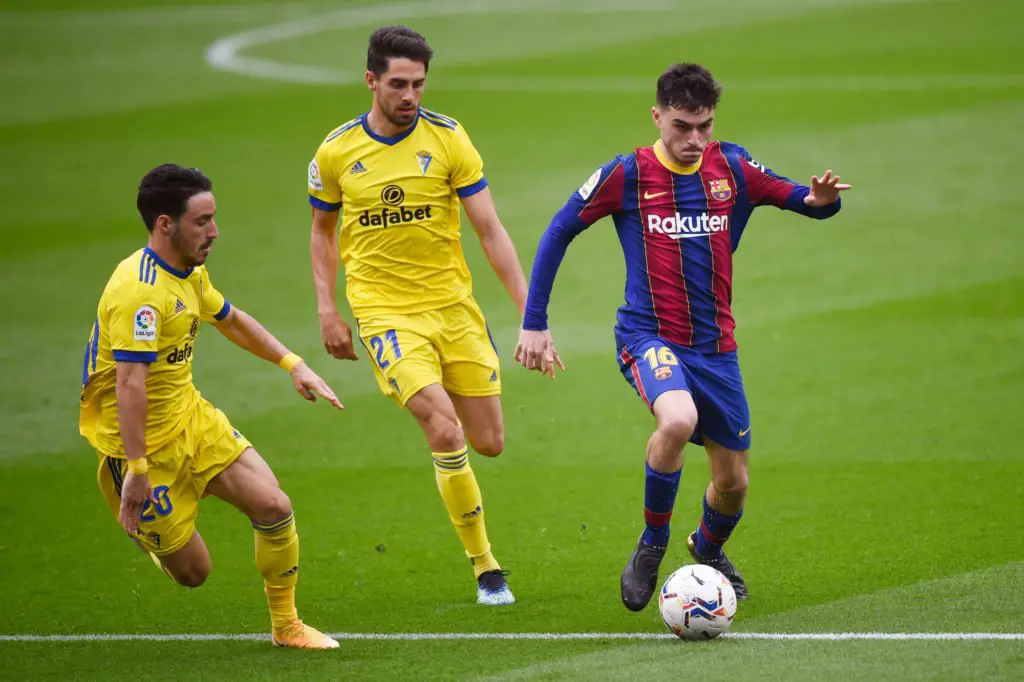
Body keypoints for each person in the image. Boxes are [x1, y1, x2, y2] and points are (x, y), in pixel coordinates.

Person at [514, 63, 851, 611]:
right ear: (657, 117)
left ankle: (707, 548)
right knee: (676, 419)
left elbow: (804, 200)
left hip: (716, 348)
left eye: (704, 126)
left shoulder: (733, 166)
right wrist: (534, 321)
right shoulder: (628, 174)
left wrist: (822, 200)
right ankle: (652, 544)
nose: (694, 139)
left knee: (733, 484)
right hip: (648, 335)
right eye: (682, 126)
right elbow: (559, 229)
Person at [307, 26, 528, 605]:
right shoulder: (336, 152)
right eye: (399, 84)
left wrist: (531, 314)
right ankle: (487, 569)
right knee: (444, 429)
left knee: (489, 441)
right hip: (385, 314)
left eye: (419, 84)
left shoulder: (449, 139)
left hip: (453, 308)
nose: (410, 96)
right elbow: (322, 233)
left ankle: (445, 413)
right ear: (371, 81)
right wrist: (328, 309)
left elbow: (489, 229)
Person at [79, 164, 343, 648]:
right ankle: (147, 529)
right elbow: (130, 384)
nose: (215, 232)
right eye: (202, 221)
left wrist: (293, 364)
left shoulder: (188, 271)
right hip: (139, 448)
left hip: (190, 420)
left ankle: (287, 626)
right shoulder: (140, 295)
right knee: (194, 573)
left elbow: (230, 318)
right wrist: (136, 470)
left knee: (274, 505)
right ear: (165, 224)